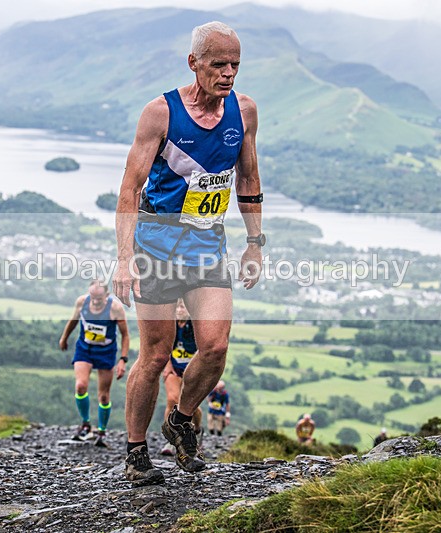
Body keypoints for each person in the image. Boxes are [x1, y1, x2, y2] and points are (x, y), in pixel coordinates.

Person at [113, 20, 264, 486]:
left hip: (206, 245)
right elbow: (130, 190)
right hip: (156, 246)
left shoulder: (245, 112)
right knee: (155, 355)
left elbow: (248, 180)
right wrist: (123, 257)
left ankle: (181, 419)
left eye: (235, 64)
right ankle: (137, 452)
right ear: (193, 63)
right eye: (219, 64)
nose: (229, 73)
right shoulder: (161, 113)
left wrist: (255, 243)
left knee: (215, 346)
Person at [59, 280, 129, 448]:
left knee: (103, 396)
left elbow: (125, 335)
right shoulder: (82, 302)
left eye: (98, 298)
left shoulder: (115, 308)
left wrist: (123, 360)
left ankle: (101, 431)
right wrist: (64, 337)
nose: (95, 300)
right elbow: (73, 320)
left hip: (106, 352)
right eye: (92, 296)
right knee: (81, 386)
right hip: (85, 348)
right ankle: (85, 424)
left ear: (106, 295)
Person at [161, 298, 203, 456]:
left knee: (191, 405)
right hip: (173, 366)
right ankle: (171, 439)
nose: (180, 310)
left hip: (192, 369)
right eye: (178, 306)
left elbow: (204, 348)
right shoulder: (169, 323)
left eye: (184, 306)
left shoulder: (195, 325)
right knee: (172, 400)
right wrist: (167, 365)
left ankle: (196, 428)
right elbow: (163, 346)